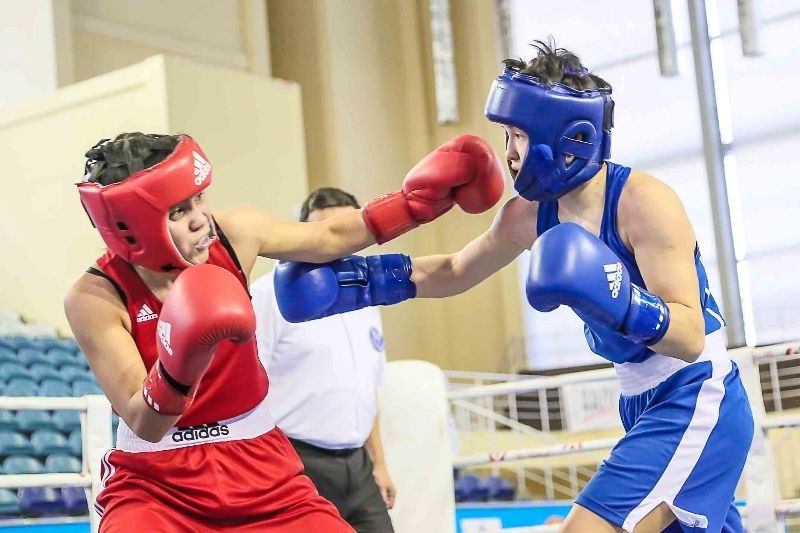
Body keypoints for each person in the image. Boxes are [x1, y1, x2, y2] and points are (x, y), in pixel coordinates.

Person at [273, 39, 755, 533]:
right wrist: (360, 281)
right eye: (506, 135)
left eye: (519, 136)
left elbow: (689, 336)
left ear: (567, 137)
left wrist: (623, 300)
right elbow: (456, 270)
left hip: (696, 392)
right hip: (639, 398)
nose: (509, 154)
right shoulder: (528, 215)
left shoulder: (644, 203)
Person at [62, 132, 504, 531]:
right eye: (179, 211)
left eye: (199, 199)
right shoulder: (95, 296)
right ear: (130, 227)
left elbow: (330, 236)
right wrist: (185, 352)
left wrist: (416, 205)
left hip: (260, 466)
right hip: (158, 483)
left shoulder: (234, 234)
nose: (201, 219)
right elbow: (145, 421)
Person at [251, 187, 397, 533]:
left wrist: (379, 463)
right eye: (326, 232)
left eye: (347, 231)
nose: (336, 242)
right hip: (296, 463)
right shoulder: (268, 295)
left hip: (359, 467)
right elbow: (246, 392)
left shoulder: (366, 292)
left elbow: (367, 389)